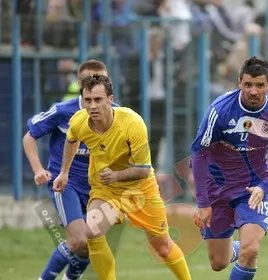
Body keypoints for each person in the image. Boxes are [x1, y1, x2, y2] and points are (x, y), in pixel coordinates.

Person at [52, 74, 192, 280]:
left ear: (110, 99)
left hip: (141, 189)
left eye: (98, 100)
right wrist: (64, 172)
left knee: (162, 248)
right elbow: (71, 140)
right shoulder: (79, 122)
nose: (92, 106)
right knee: (92, 232)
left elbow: (144, 169)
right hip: (107, 189)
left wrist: (116, 175)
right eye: (87, 100)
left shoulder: (132, 123)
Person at [191, 56, 268, 279]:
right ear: (239, 81)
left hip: (252, 189)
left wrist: (265, 187)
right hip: (217, 187)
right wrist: (203, 203)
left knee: (251, 251)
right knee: (218, 263)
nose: (253, 91)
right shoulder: (219, 111)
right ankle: (237, 249)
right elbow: (200, 154)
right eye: (248, 84)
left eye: (260, 85)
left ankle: (247, 247)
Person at [23, 59, 109, 280]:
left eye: (102, 79)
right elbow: (29, 137)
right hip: (66, 183)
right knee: (78, 239)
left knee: (90, 243)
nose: (97, 83)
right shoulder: (63, 111)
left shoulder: (117, 114)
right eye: (92, 79)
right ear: (80, 83)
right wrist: (38, 169)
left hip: (99, 188)